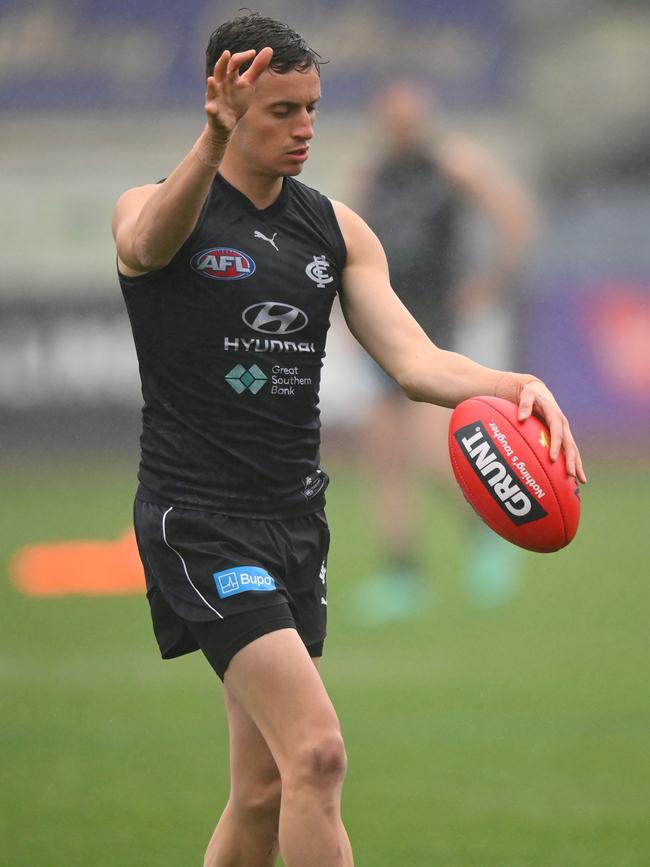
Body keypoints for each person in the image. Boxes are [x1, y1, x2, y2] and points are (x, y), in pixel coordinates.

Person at [111, 14, 585, 867]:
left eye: (312, 109)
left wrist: (515, 386)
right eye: (280, 111)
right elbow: (146, 247)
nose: (304, 130)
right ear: (224, 102)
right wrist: (210, 142)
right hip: (200, 521)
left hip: (295, 522)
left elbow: (414, 361)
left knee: (261, 795)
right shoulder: (156, 206)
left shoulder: (335, 229)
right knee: (318, 753)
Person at [355, 82, 539, 618]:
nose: (401, 130)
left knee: (434, 452)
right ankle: (402, 576)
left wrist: (492, 279)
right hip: (384, 322)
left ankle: (489, 531)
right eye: (393, 121)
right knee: (384, 455)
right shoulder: (374, 178)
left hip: (434, 325)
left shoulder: (454, 165)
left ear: (425, 119)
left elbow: (515, 217)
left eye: (410, 121)